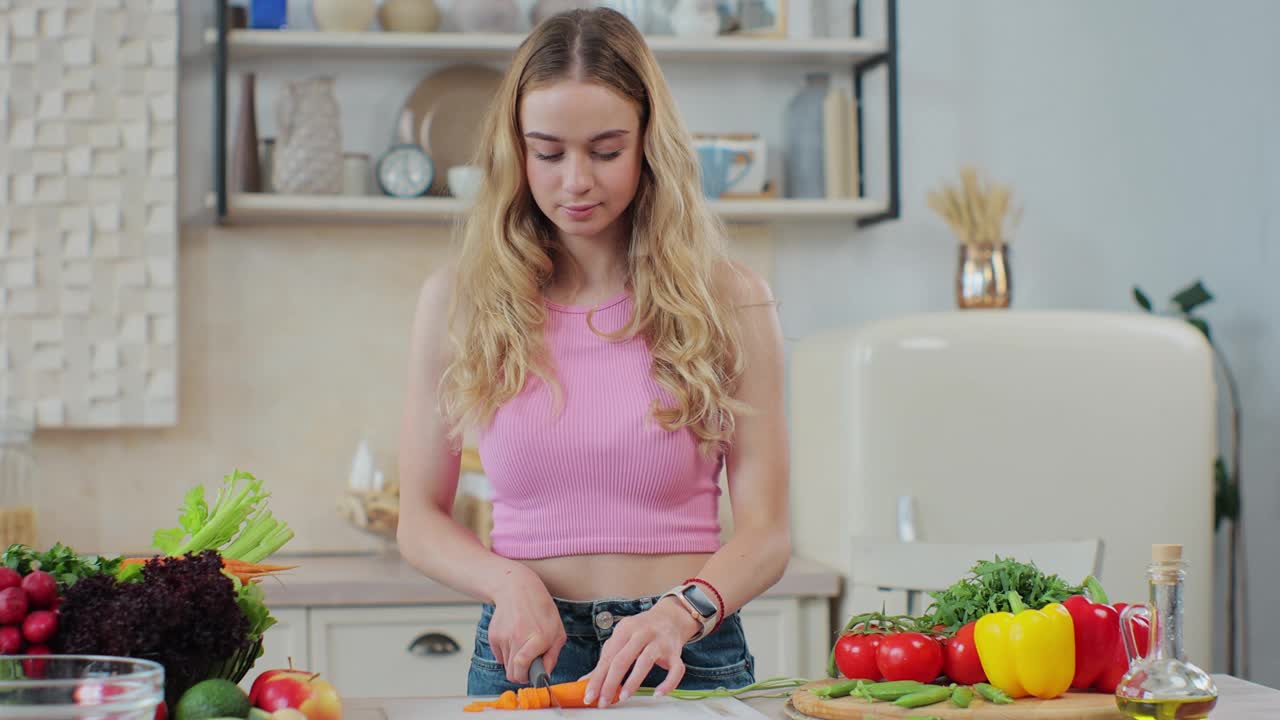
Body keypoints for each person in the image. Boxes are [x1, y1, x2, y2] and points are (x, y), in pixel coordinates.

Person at [396, 7, 790, 707]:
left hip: (684, 655)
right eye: (548, 152)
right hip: (528, 661)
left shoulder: (731, 300)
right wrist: (507, 580)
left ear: (649, 146)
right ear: (516, 151)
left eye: (605, 151)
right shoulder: (458, 301)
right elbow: (419, 519)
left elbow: (766, 532)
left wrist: (682, 611)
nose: (575, 180)